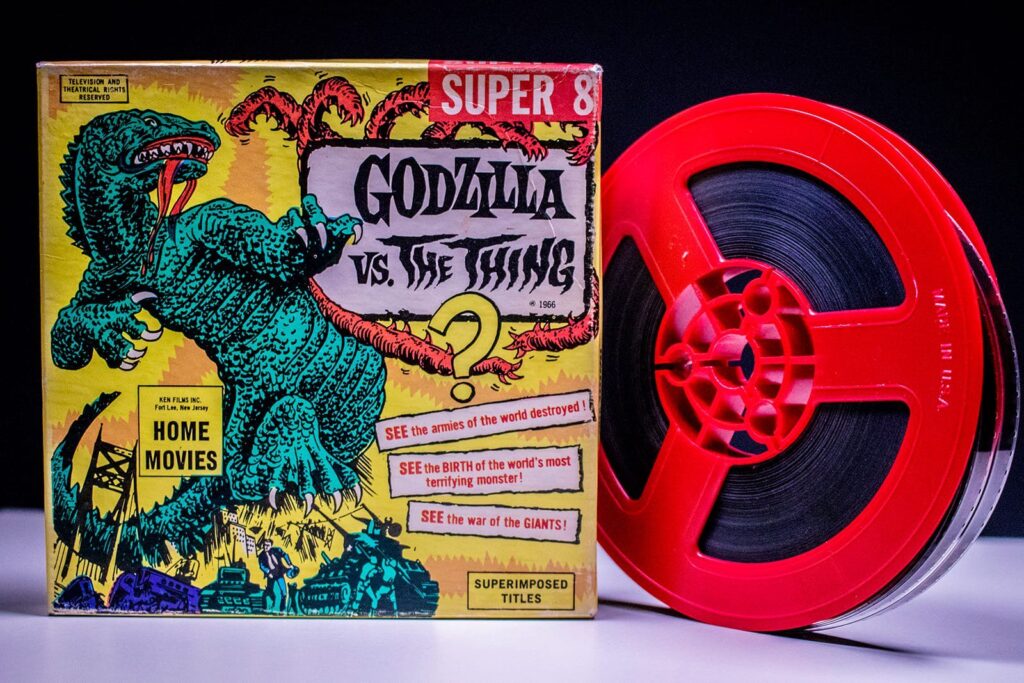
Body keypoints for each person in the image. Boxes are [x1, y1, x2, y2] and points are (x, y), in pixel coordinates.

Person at [257, 537, 298, 612]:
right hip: (271, 575)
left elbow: (285, 555)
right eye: (264, 545)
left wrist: (290, 564)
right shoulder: (261, 555)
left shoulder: (277, 550)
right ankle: (268, 605)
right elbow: (262, 566)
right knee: (269, 591)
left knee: (284, 592)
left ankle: (282, 608)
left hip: (279, 573)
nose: (265, 547)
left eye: (267, 545)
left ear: (271, 545)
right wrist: (268, 572)